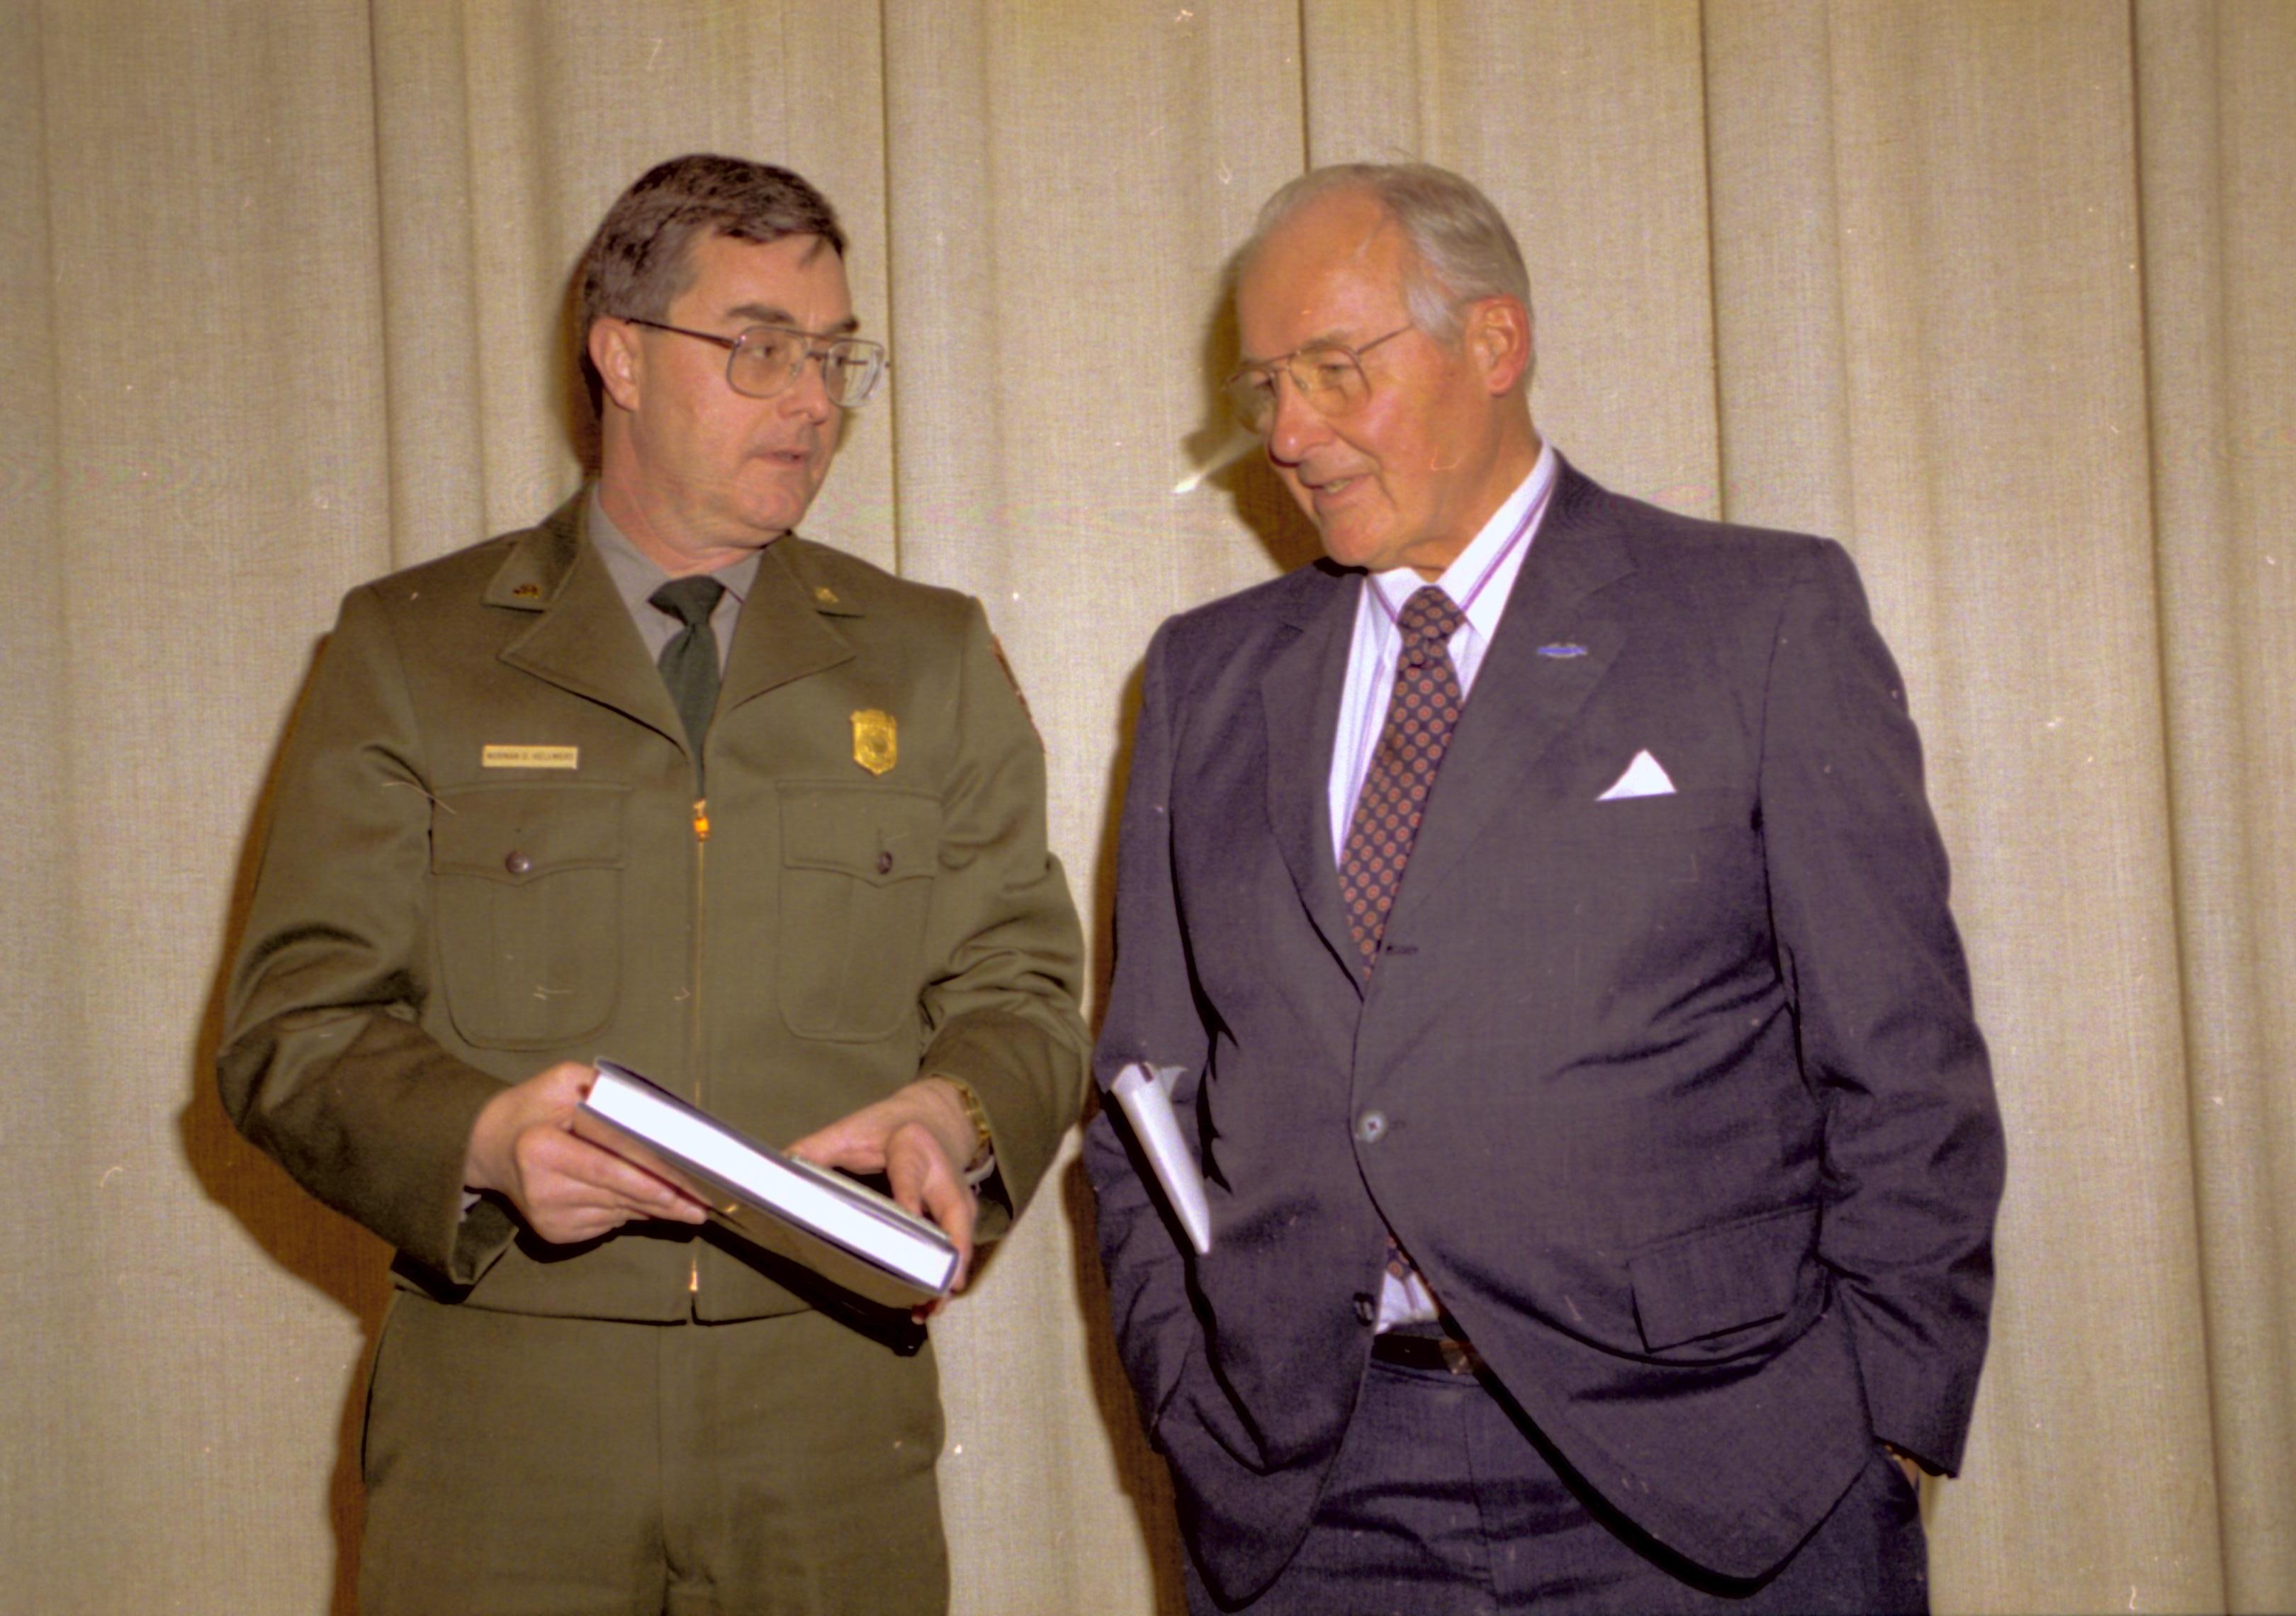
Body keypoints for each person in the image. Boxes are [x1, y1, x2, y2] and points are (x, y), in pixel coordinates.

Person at [1085, 162, 2003, 1615]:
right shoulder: (1207, 677)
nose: (1290, 433)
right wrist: (1198, 1408)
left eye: (1335, 371)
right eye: (1266, 385)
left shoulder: (1756, 618)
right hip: (1312, 1503)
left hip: (1713, 1496)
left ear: (1495, 343)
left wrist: (1877, 1431)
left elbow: (1905, 1071)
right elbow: (1142, 1091)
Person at [219, 153, 1087, 1615]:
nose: (812, 402)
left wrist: (962, 1108)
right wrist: (482, 1140)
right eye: (759, 349)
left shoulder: (929, 659)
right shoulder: (411, 650)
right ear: (620, 354)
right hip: (508, 1401)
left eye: (834, 357)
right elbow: (292, 1028)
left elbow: (1026, 991)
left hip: (825, 1405)